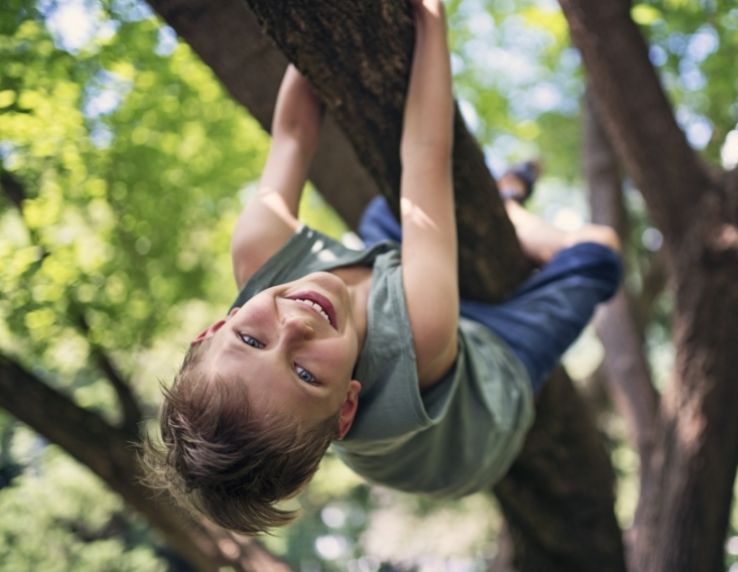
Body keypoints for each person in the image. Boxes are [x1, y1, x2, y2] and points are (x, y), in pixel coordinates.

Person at [143, 0, 621, 535]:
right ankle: (510, 206)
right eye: (304, 373)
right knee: (599, 253)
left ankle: (507, 194)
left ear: (214, 328)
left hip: (402, 300)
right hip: (480, 411)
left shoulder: (260, 250)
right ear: (347, 405)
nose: (295, 327)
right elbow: (425, 151)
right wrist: (431, 20)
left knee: (394, 208)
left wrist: (313, 30)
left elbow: (295, 133)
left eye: (251, 341)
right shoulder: (421, 330)